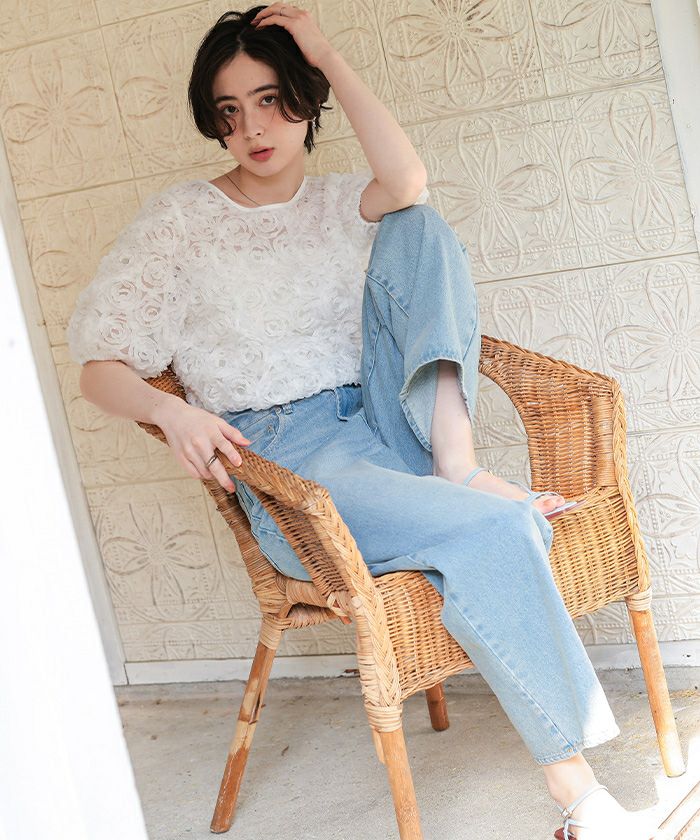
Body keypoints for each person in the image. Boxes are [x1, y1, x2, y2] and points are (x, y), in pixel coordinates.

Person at [66, 5, 657, 838]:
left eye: (272, 100)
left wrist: (325, 52)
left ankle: (456, 467)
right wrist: (169, 410)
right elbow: (97, 370)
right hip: (293, 461)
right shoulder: (181, 221)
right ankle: (581, 801)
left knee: (419, 222)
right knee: (499, 531)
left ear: (306, 99)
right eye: (230, 111)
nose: (252, 129)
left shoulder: (343, 201)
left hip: (383, 420)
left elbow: (406, 180)